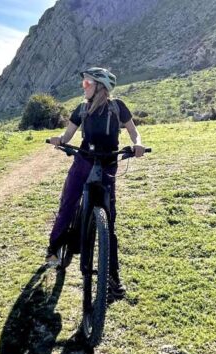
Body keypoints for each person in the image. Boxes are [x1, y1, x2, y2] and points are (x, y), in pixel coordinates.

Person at [47, 67, 145, 301]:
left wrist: (138, 144)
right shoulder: (82, 108)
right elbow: (68, 135)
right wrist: (60, 140)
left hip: (108, 165)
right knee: (68, 203)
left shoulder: (117, 107)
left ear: (100, 86)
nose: (84, 87)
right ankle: (53, 248)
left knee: (109, 221)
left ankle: (113, 279)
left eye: (87, 83)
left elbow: (134, 132)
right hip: (83, 162)